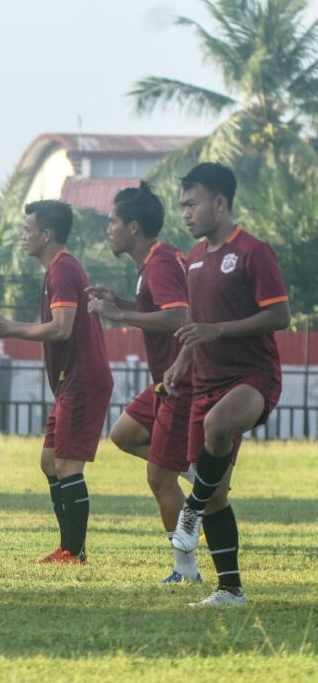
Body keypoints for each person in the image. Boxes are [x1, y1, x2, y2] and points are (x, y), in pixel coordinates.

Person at [162, 162, 290, 607]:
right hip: (205, 381)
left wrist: (219, 330)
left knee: (217, 426)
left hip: (253, 377)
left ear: (220, 203)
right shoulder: (193, 257)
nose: (186, 213)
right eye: (182, 205)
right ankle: (230, 590)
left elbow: (280, 315)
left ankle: (190, 509)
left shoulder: (254, 251)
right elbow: (198, 325)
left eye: (192, 204)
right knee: (217, 493)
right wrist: (181, 361)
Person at [0, 200, 113, 564]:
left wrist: (9, 328)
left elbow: (62, 328)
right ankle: (68, 548)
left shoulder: (63, 269)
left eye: (27, 230)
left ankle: (75, 553)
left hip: (83, 380)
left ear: (46, 234)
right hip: (71, 382)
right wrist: (7, 327)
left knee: (67, 466)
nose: (23, 236)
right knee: (50, 462)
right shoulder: (57, 270)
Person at [86, 182, 200, 584]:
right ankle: (198, 474)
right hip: (164, 381)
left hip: (181, 380)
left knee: (159, 478)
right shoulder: (153, 261)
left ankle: (186, 572)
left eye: (113, 221)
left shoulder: (160, 263)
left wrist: (119, 315)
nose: (109, 229)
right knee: (123, 433)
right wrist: (121, 303)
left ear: (133, 226)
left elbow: (180, 317)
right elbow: (159, 308)